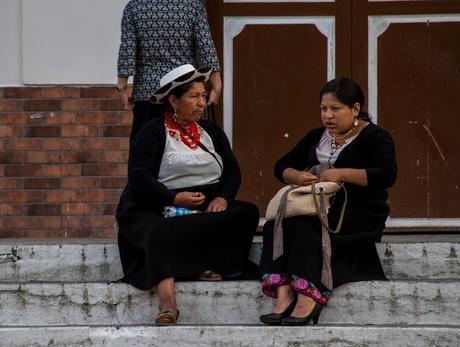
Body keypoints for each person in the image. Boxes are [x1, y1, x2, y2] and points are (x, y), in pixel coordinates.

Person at [116, 64, 259, 326]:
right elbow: (139, 177)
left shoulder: (212, 132)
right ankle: (167, 298)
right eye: (194, 96)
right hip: (157, 206)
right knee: (158, 230)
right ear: (173, 100)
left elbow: (232, 172)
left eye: (204, 96)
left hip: (205, 207)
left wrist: (222, 198)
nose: (202, 103)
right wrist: (172, 198)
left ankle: (205, 263)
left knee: (247, 213)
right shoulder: (151, 132)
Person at [259, 77, 397, 326]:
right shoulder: (316, 136)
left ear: (355, 109)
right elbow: (281, 165)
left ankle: (308, 297)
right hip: (319, 204)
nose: (328, 116)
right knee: (275, 225)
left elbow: (387, 174)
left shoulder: (375, 137)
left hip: (358, 211)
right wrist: (296, 176)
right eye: (324, 109)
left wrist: (341, 174)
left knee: (303, 226)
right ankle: (284, 293)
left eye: (336, 109)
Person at [116, 0, 222, 140]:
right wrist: (216, 83)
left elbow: (127, 49)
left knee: (146, 143)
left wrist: (122, 86)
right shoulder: (192, 6)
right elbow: (206, 45)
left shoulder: (134, 7)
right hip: (184, 88)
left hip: (148, 89)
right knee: (185, 141)